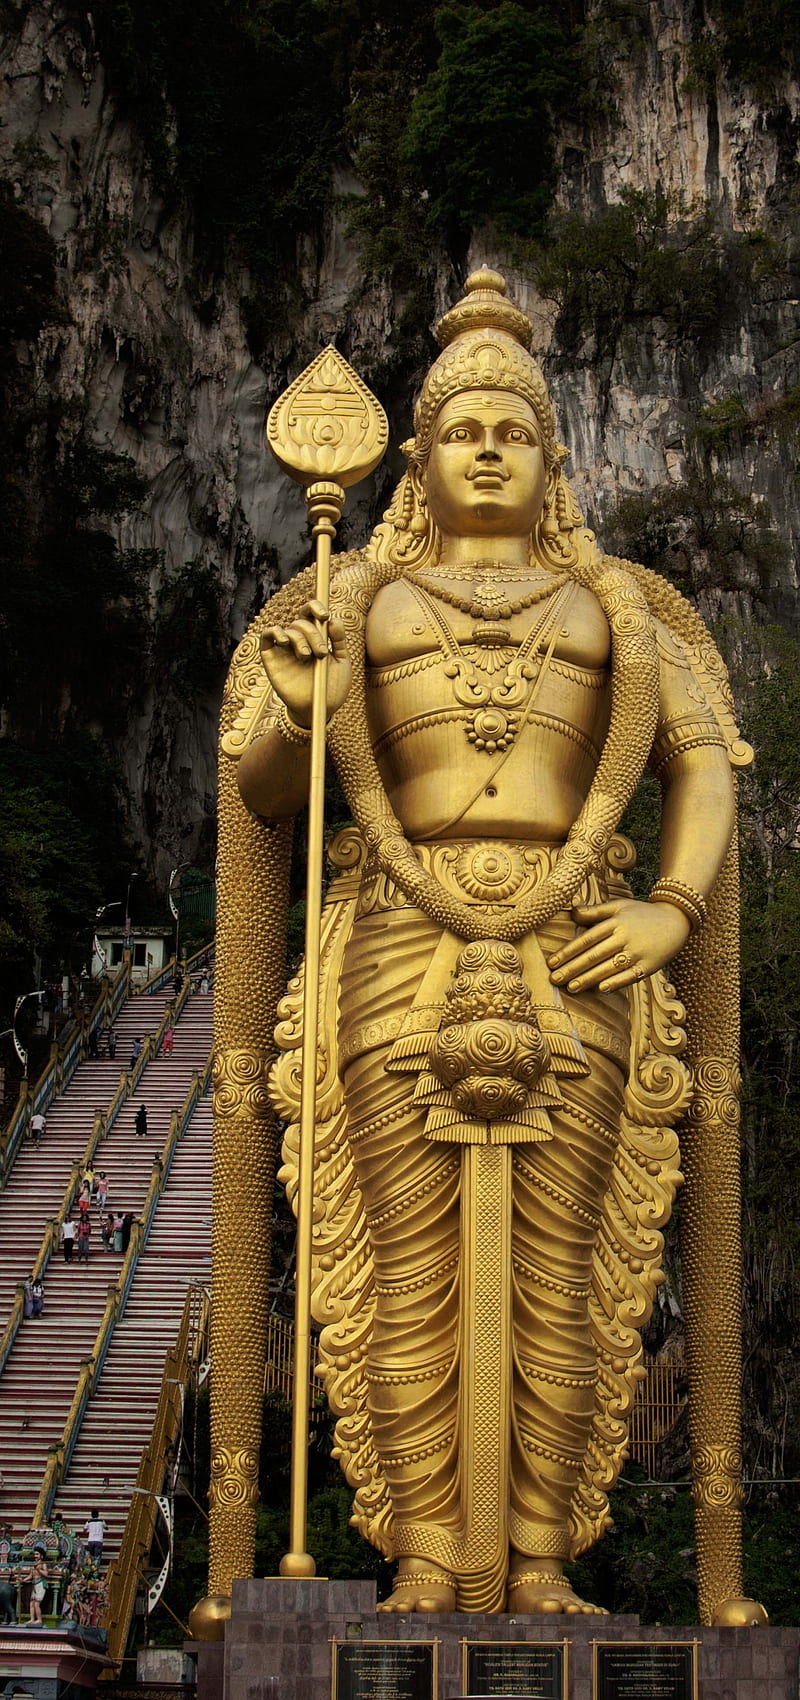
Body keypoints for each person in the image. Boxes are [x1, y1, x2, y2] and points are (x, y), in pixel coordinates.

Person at [210, 271, 764, 1627]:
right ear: (419, 455)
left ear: (556, 455)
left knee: (567, 1272)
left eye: (516, 430)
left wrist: (671, 909)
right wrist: (299, 686)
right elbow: (267, 788)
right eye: (464, 431)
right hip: (399, 938)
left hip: (583, 944)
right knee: (404, 1267)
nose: (492, 450)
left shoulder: (624, 608)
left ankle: (535, 1559)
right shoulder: (354, 593)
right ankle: (420, 1557)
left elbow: (704, 768)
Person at [27, 1550, 47, 1624]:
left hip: (40, 1584)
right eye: (35, 1554)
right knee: (31, 1603)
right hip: (34, 1584)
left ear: (41, 1556)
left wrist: (38, 1569)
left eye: (37, 1554)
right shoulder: (33, 1565)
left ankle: (39, 1620)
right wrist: (22, 1580)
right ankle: (32, 1619)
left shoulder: (43, 1564)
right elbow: (31, 1576)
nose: (35, 1556)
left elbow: (46, 1574)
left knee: (36, 1603)